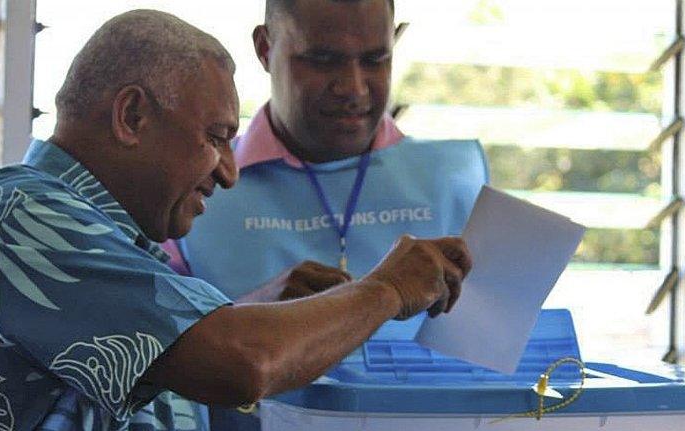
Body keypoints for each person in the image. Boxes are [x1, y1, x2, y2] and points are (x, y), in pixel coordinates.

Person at [0, 9, 471, 431]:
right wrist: (386, 290)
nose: (230, 172)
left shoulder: (113, 239)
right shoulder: (15, 212)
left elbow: (161, 364)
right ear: (132, 116)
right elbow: (242, 366)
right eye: (215, 138)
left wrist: (251, 312)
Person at [175, 0, 488, 302]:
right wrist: (252, 320)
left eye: (375, 60)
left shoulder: (458, 183)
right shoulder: (185, 186)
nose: (354, 88)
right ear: (265, 48)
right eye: (323, 60)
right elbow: (146, 349)